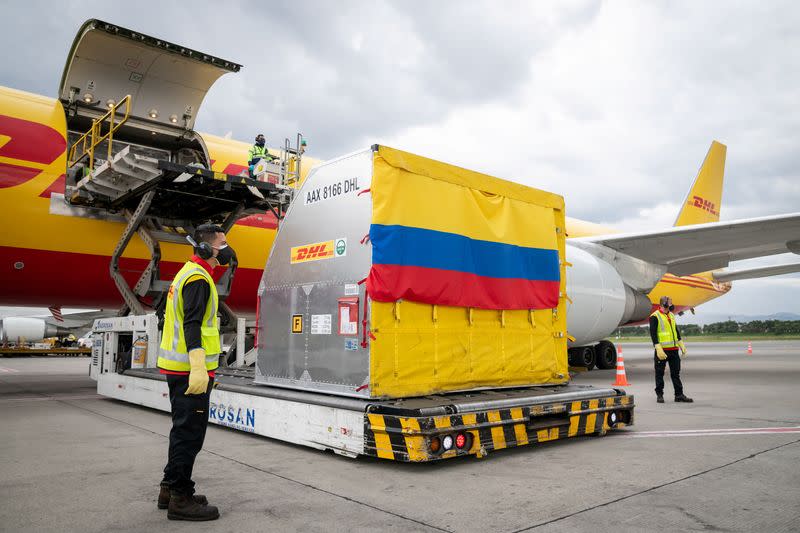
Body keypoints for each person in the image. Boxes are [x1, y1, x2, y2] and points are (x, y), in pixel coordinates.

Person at [156, 223, 235, 521]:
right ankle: (180, 499)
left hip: (180, 369)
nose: (227, 248)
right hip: (191, 371)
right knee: (189, 435)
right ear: (205, 247)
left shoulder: (188, 272)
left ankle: (170, 488)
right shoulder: (199, 279)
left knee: (182, 430)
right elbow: (191, 324)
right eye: (223, 242)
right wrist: (199, 367)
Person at [649, 296, 693, 404]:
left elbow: (675, 330)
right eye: (669, 303)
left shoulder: (672, 315)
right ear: (663, 304)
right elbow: (653, 334)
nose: (671, 305)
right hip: (662, 350)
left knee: (676, 373)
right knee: (659, 373)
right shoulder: (655, 316)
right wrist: (658, 348)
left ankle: (679, 395)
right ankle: (659, 395)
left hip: (674, 350)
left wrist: (681, 343)